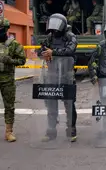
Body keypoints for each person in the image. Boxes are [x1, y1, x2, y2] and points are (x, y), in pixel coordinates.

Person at [37, 13, 78, 142]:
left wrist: (53, 52)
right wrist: (44, 53)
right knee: (51, 105)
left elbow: (70, 50)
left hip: (67, 75)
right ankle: (51, 131)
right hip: (52, 74)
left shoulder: (70, 36)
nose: (55, 31)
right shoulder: (50, 36)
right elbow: (40, 50)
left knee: (69, 104)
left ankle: (71, 130)